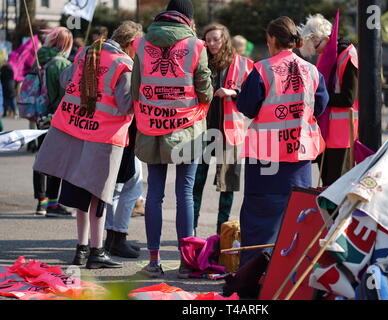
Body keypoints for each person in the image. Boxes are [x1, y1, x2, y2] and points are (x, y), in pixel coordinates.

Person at [33, 21, 142, 269]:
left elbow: (65, 80)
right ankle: (97, 252)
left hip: (74, 131)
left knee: (81, 198)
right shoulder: (124, 64)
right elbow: (126, 105)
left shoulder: (87, 53)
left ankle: (81, 250)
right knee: (98, 198)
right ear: (130, 44)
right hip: (104, 138)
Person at [236, 16, 329, 267]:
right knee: (297, 218)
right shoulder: (311, 70)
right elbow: (321, 105)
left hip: (265, 158)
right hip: (299, 157)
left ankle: (252, 275)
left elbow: (246, 107)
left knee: (259, 219)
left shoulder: (261, 69)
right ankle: (287, 275)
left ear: (273, 40)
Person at [131, 0, 213, 278]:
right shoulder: (195, 46)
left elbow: (135, 89)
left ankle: (153, 263)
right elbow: (205, 91)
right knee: (185, 195)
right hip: (187, 131)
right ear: (188, 18)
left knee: (154, 194)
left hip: (152, 127)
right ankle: (185, 262)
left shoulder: (141, 45)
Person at [193, 23, 253, 236]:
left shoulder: (244, 64)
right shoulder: (200, 61)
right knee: (195, 183)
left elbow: (253, 96)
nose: (211, 44)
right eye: (208, 40)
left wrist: (233, 92)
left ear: (225, 39)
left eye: (216, 39)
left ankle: (221, 235)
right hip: (201, 131)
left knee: (227, 186)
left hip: (230, 133)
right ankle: (191, 231)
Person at [299, 14, 359, 186]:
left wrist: (317, 96)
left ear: (326, 38)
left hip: (342, 135)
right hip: (327, 132)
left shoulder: (347, 55)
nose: (317, 52)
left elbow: (348, 98)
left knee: (337, 186)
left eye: (317, 46)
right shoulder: (329, 56)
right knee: (327, 184)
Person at [32, 27, 73, 217]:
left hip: (40, 114)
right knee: (57, 161)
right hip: (57, 116)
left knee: (41, 159)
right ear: (65, 44)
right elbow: (66, 94)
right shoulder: (62, 64)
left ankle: (41, 201)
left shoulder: (40, 59)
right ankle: (53, 204)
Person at [104, 119, 143, 258]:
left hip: (112, 131)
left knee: (114, 188)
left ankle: (112, 238)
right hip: (124, 131)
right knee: (132, 186)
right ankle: (118, 238)